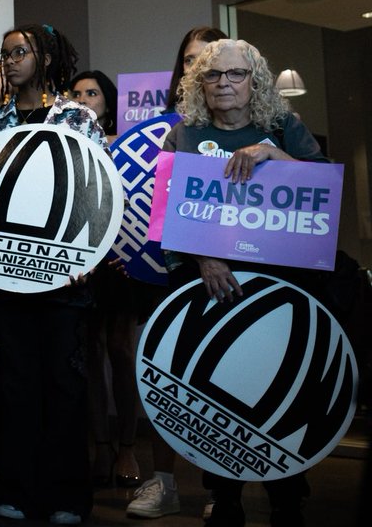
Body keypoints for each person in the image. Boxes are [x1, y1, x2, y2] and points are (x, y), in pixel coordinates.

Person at [160, 38, 326, 527]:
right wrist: (205, 258)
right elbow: (168, 210)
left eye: (236, 74)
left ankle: (287, 496)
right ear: (199, 84)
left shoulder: (282, 128)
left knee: (283, 387)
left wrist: (274, 155)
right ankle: (223, 497)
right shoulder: (183, 136)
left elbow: (323, 186)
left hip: (279, 290)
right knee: (220, 388)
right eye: (214, 75)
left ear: (254, 81)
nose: (225, 83)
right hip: (210, 286)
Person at [0, 23, 102, 525]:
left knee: (64, 385)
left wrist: (83, 260)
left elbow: (97, 192)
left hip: (67, 278)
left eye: (20, 51)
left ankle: (68, 495)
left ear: (44, 57)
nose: (10, 60)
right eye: (4, 54)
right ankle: (18, 489)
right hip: (6, 273)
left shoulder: (75, 117)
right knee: (17, 383)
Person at [129, 25, 227, 520]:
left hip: (241, 278)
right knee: (168, 375)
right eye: (189, 60)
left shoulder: (260, 125)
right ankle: (162, 482)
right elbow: (168, 209)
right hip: (182, 273)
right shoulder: (174, 132)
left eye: (207, 60)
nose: (197, 69)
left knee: (223, 380)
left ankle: (219, 491)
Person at [67, 69, 145, 489]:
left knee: (121, 350)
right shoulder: (67, 145)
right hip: (84, 262)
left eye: (91, 93)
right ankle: (101, 445)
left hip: (122, 262)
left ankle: (129, 445)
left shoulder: (127, 146)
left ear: (108, 103)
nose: (83, 99)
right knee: (91, 352)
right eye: (76, 93)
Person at [164, 26, 227, 114]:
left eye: (205, 59)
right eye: (189, 61)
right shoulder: (168, 124)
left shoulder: (243, 120)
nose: (195, 68)